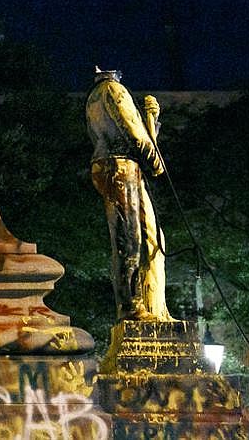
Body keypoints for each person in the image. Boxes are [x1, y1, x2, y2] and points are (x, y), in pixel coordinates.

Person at [86, 67, 173, 321]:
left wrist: (152, 126)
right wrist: (155, 159)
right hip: (120, 167)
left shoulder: (93, 96)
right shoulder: (113, 90)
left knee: (145, 236)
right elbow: (132, 131)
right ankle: (131, 306)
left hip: (113, 166)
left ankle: (146, 303)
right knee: (130, 239)